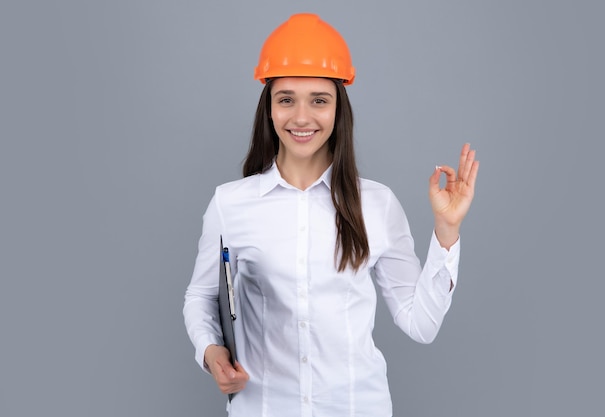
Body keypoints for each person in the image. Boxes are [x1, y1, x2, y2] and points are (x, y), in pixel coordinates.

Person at [184, 13, 479, 417]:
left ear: (339, 109)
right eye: (286, 99)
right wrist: (210, 349)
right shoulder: (230, 204)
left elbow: (420, 325)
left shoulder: (377, 204)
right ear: (268, 109)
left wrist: (447, 230)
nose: (302, 117)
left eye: (319, 100)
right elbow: (201, 296)